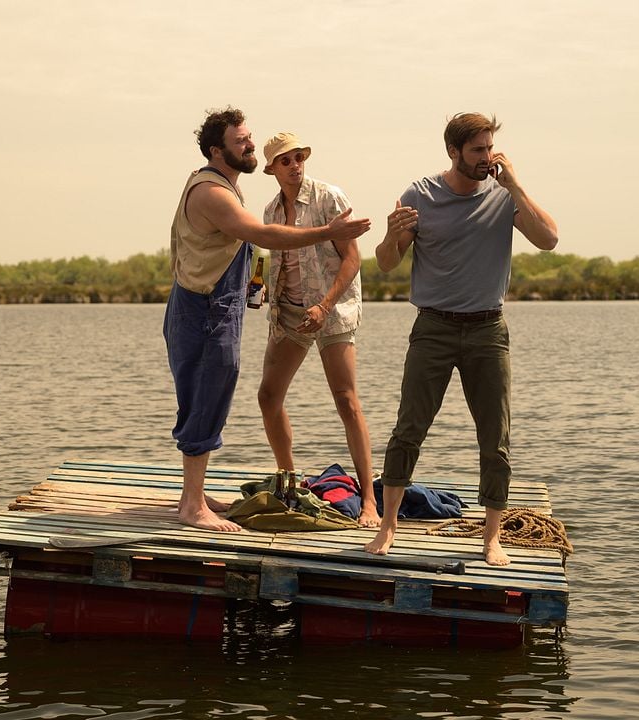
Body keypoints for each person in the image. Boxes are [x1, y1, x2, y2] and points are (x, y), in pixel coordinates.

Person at [364, 112, 558, 565]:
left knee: (496, 438)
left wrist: (516, 186)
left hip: (489, 330)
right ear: (453, 152)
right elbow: (386, 263)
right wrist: (391, 236)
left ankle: (491, 538)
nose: (487, 158)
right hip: (433, 328)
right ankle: (388, 528)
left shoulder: (504, 195)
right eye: (477, 150)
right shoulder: (420, 195)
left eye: (490, 148)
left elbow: (548, 239)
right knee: (409, 429)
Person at [165, 107, 371, 532]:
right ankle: (198, 503)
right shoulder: (224, 195)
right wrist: (327, 233)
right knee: (214, 392)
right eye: (241, 141)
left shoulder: (317, 195)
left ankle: (195, 493)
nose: (250, 145)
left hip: (261, 309)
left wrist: (262, 288)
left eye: (249, 137)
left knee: (211, 393)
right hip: (212, 309)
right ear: (215, 151)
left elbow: (243, 251)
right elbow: (262, 239)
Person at [256, 132, 379, 528]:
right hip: (289, 312)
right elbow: (277, 262)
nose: (294, 165)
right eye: (285, 160)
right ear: (272, 168)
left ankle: (370, 502)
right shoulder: (271, 211)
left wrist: (325, 306)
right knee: (268, 396)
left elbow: (353, 259)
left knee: (346, 400)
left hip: (332, 309)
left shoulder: (329, 198)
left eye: (298, 157)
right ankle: (290, 486)